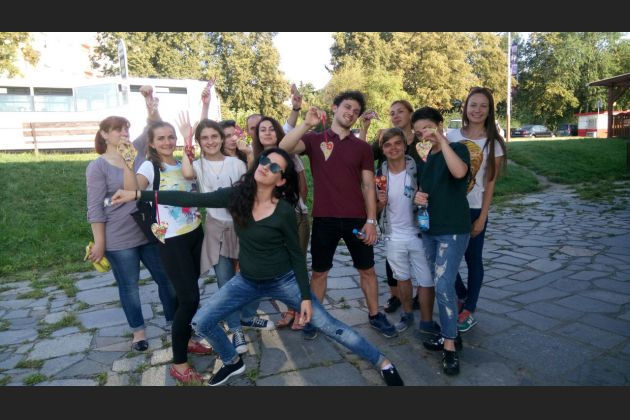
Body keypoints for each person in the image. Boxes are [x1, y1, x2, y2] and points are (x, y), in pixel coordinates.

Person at [111, 147, 404, 386]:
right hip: (247, 280)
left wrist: (305, 297)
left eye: (274, 167)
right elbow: (191, 197)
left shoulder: (284, 211)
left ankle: (382, 362)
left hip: (283, 280)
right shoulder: (237, 196)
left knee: (329, 325)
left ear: (281, 181)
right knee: (200, 321)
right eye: (264, 160)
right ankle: (232, 360)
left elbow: (296, 256)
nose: (265, 166)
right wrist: (138, 194)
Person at [279, 90, 397, 339]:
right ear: (335, 108)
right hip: (325, 218)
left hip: (357, 219)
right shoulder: (314, 139)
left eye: (356, 111)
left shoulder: (362, 147)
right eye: (347, 107)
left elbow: (368, 185)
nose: (351, 113)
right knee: (319, 272)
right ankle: (314, 318)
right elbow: (284, 147)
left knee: (367, 270)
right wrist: (306, 123)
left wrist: (371, 221)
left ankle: (375, 315)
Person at [85, 116, 176, 353]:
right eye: (118, 129)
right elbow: (95, 207)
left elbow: (153, 126)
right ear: (104, 134)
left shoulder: (136, 153)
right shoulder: (97, 166)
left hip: (148, 229)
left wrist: (150, 106)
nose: (124, 132)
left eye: (126, 128)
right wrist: (100, 242)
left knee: (167, 278)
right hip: (119, 237)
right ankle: (138, 333)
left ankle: (175, 323)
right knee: (129, 287)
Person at [177, 114, 262, 354]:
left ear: (222, 138)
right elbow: (186, 174)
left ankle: (247, 315)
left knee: (254, 275)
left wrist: (249, 154)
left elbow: (252, 181)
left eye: (214, 136)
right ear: (199, 142)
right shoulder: (198, 165)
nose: (211, 141)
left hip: (242, 226)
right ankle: (235, 330)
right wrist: (186, 140)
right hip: (216, 229)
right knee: (226, 283)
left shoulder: (235, 163)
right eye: (204, 138)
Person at [135, 120, 209, 383]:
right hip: (171, 240)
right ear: (152, 143)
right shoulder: (149, 166)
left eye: (171, 137)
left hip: (194, 233)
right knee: (190, 300)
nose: (167, 142)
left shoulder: (181, 163)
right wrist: (125, 164)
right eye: (161, 138)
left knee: (184, 295)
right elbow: (134, 189)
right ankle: (179, 364)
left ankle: (186, 340)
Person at [412, 107, 470, 376]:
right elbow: (424, 189)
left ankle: (449, 346)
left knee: (444, 285)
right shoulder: (423, 157)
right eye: (418, 132)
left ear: (439, 124)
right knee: (441, 283)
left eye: (427, 128)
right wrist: (418, 197)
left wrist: (442, 141)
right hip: (429, 230)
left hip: (453, 229)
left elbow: (459, 173)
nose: (424, 135)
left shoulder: (457, 149)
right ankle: (452, 332)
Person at [447, 87, 507, 333]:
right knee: (444, 259)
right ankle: (461, 295)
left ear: (490, 110)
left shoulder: (494, 143)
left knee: (473, 260)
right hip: (450, 209)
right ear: (466, 107)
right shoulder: (451, 135)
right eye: (473, 104)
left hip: (474, 209)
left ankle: (469, 308)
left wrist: (482, 216)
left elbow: (490, 183)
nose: (477, 110)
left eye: (483, 106)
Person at [360, 99, 423, 314]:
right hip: (388, 203)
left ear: (411, 114)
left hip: (416, 208)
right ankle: (396, 295)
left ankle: (420, 295)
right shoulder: (385, 138)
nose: (396, 115)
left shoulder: (421, 141)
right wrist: (365, 128)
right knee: (393, 254)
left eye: (400, 111)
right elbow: (364, 155)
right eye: (392, 112)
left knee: (421, 256)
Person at [251, 115, 310, 330]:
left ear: (278, 133)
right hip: (269, 222)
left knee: (296, 264)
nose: (267, 133)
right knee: (281, 268)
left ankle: (300, 311)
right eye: (262, 129)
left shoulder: (290, 155)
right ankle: (289, 310)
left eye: (271, 129)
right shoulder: (255, 159)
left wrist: (295, 209)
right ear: (257, 135)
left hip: (294, 217)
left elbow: (303, 188)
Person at [375, 128, 432, 333]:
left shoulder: (419, 169)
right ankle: (407, 314)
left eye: (397, 143)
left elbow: (433, 196)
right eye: (387, 145)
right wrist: (380, 203)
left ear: (405, 146)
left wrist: (424, 199)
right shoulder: (380, 175)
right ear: (382, 149)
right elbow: (375, 209)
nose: (393, 148)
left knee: (426, 280)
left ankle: (427, 322)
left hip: (420, 233)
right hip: (393, 235)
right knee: (402, 277)